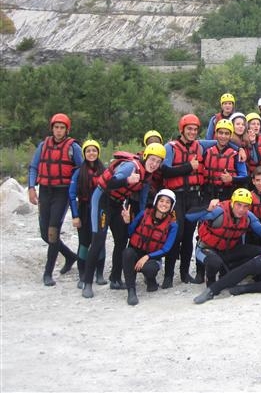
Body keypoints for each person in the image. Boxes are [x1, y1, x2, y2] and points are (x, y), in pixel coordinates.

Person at [81, 143, 166, 298]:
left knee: (121, 240)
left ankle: (115, 278)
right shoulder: (130, 167)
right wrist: (128, 180)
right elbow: (111, 182)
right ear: (146, 157)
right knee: (98, 239)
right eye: (152, 159)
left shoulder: (147, 176)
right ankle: (87, 282)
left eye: (158, 162)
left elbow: (141, 200)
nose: (154, 164)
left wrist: (142, 219)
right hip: (102, 200)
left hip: (117, 204)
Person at [28, 113, 83, 286]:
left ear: (67, 130)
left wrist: (79, 195)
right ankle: (69, 255)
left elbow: (82, 171)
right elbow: (34, 167)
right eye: (56, 127)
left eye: (62, 128)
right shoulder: (43, 146)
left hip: (62, 193)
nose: (59, 131)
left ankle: (48, 273)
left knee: (53, 232)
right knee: (45, 234)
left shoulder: (73, 148)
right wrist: (31, 188)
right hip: (45, 191)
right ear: (52, 128)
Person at [187, 188, 261, 287]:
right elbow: (189, 216)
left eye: (245, 206)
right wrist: (207, 209)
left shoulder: (248, 216)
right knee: (214, 262)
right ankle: (211, 283)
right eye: (238, 204)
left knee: (259, 251)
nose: (241, 209)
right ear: (232, 202)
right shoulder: (218, 211)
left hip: (227, 251)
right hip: (206, 249)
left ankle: (229, 272)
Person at [160, 113, 206, 286]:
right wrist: (188, 167)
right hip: (176, 196)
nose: (193, 132)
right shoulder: (170, 147)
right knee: (176, 234)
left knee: (188, 236)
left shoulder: (199, 147)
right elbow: (165, 171)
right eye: (189, 129)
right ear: (182, 130)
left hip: (194, 196)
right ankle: (168, 275)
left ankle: (184, 273)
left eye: (195, 129)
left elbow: (219, 142)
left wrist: (239, 148)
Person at [121, 189, 178, 305]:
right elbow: (130, 233)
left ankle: (151, 280)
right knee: (127, 253)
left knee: (150, 269)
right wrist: (127, 222)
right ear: (156, 202)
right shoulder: (143, 214)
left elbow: (166, 249)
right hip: (135, 252)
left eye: (168, 202)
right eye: (161, 201)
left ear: (171, 206)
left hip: (152, 257)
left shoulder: (173, 225)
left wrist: (147, 256)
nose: (164, 204)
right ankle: (131, 291)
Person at [68, 140, 106, 289]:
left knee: (100, 242)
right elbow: (71, 195)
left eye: (94, 150)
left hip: (100, 210)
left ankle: (99, 274)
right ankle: (83, 275)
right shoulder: (78, 172)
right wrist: (75, 215)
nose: (91, 153)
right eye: (88, 151)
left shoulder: (104, 170)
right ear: (84, 153)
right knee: (84, 243)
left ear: (98, 153)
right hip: (84, 209)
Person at [201, 118, 248, 202]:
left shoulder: (236, 155)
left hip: (227, 195)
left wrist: (232, 179)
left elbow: (245, 177)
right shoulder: (207, 151)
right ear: (216, 134)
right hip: (207, 194)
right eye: (221, 133)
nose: (223, 136)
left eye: (226, 134)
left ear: (230, 136)